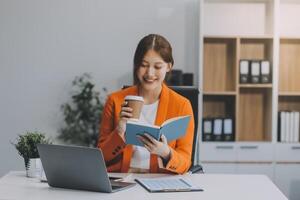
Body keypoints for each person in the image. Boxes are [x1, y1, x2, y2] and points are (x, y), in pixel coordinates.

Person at [97, 34, 194, 174]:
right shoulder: (115, 101)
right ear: (136, 66)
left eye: (157, 66)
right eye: (144, 65)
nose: (150, 73)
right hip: (122, 180)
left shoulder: (182, 105)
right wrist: (119, 132)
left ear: (168, 66)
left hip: (159, 182)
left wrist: (166, 152)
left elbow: (185, 163)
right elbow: (100, 158)